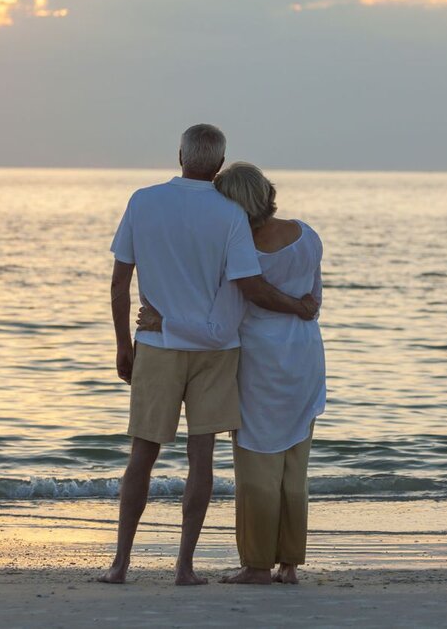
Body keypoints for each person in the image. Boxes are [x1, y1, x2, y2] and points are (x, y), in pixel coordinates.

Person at [100, 125, 319, 586]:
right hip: (218, 352)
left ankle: (120, 564)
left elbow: (120, 284)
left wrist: (124, 344)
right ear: (218, 164)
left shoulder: (143, 200)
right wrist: (300, 306)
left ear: (179, 154)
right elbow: (246, 284)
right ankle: (184, 566)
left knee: (142, 455)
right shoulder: (231, 215)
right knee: (202, 458)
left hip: (158, 347)